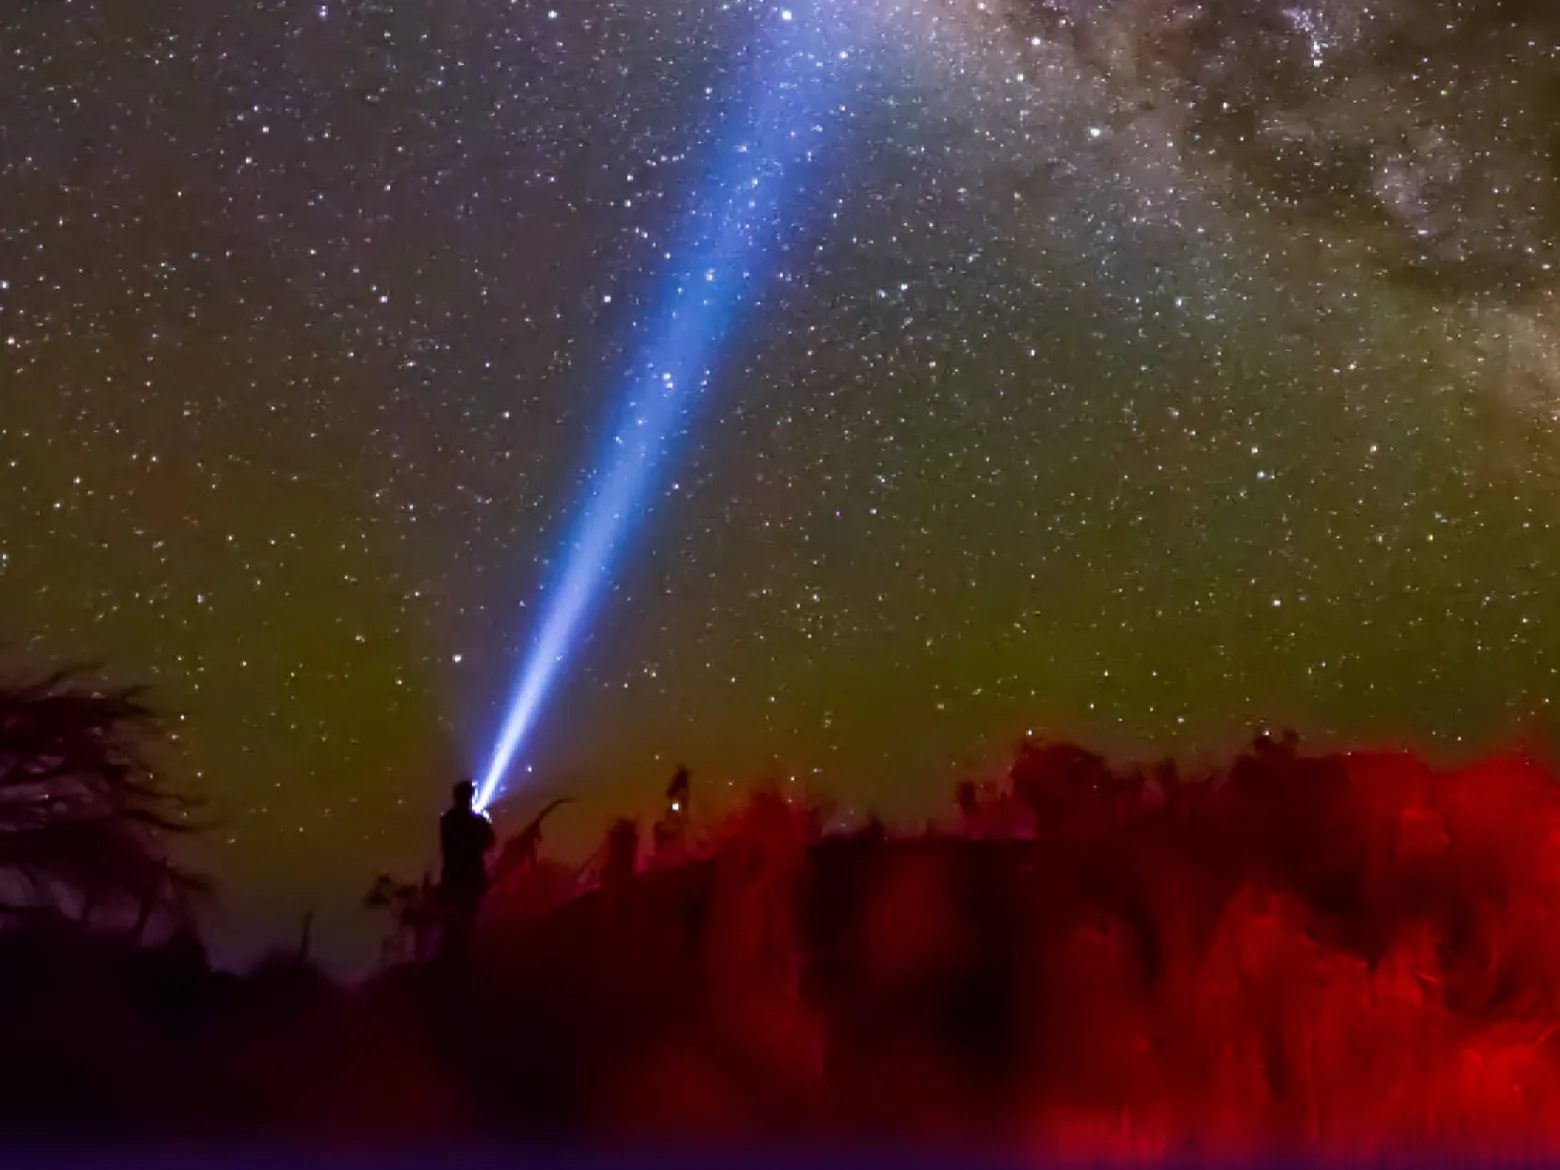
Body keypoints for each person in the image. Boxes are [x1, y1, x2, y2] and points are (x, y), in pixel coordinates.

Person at [439, 779, 496, 925]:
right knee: (471, 924)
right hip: (472, 881)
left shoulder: (447, 820)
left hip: (453, 882)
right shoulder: (476, 822)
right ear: (471, 797)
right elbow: (489, 843)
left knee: (454, 925)